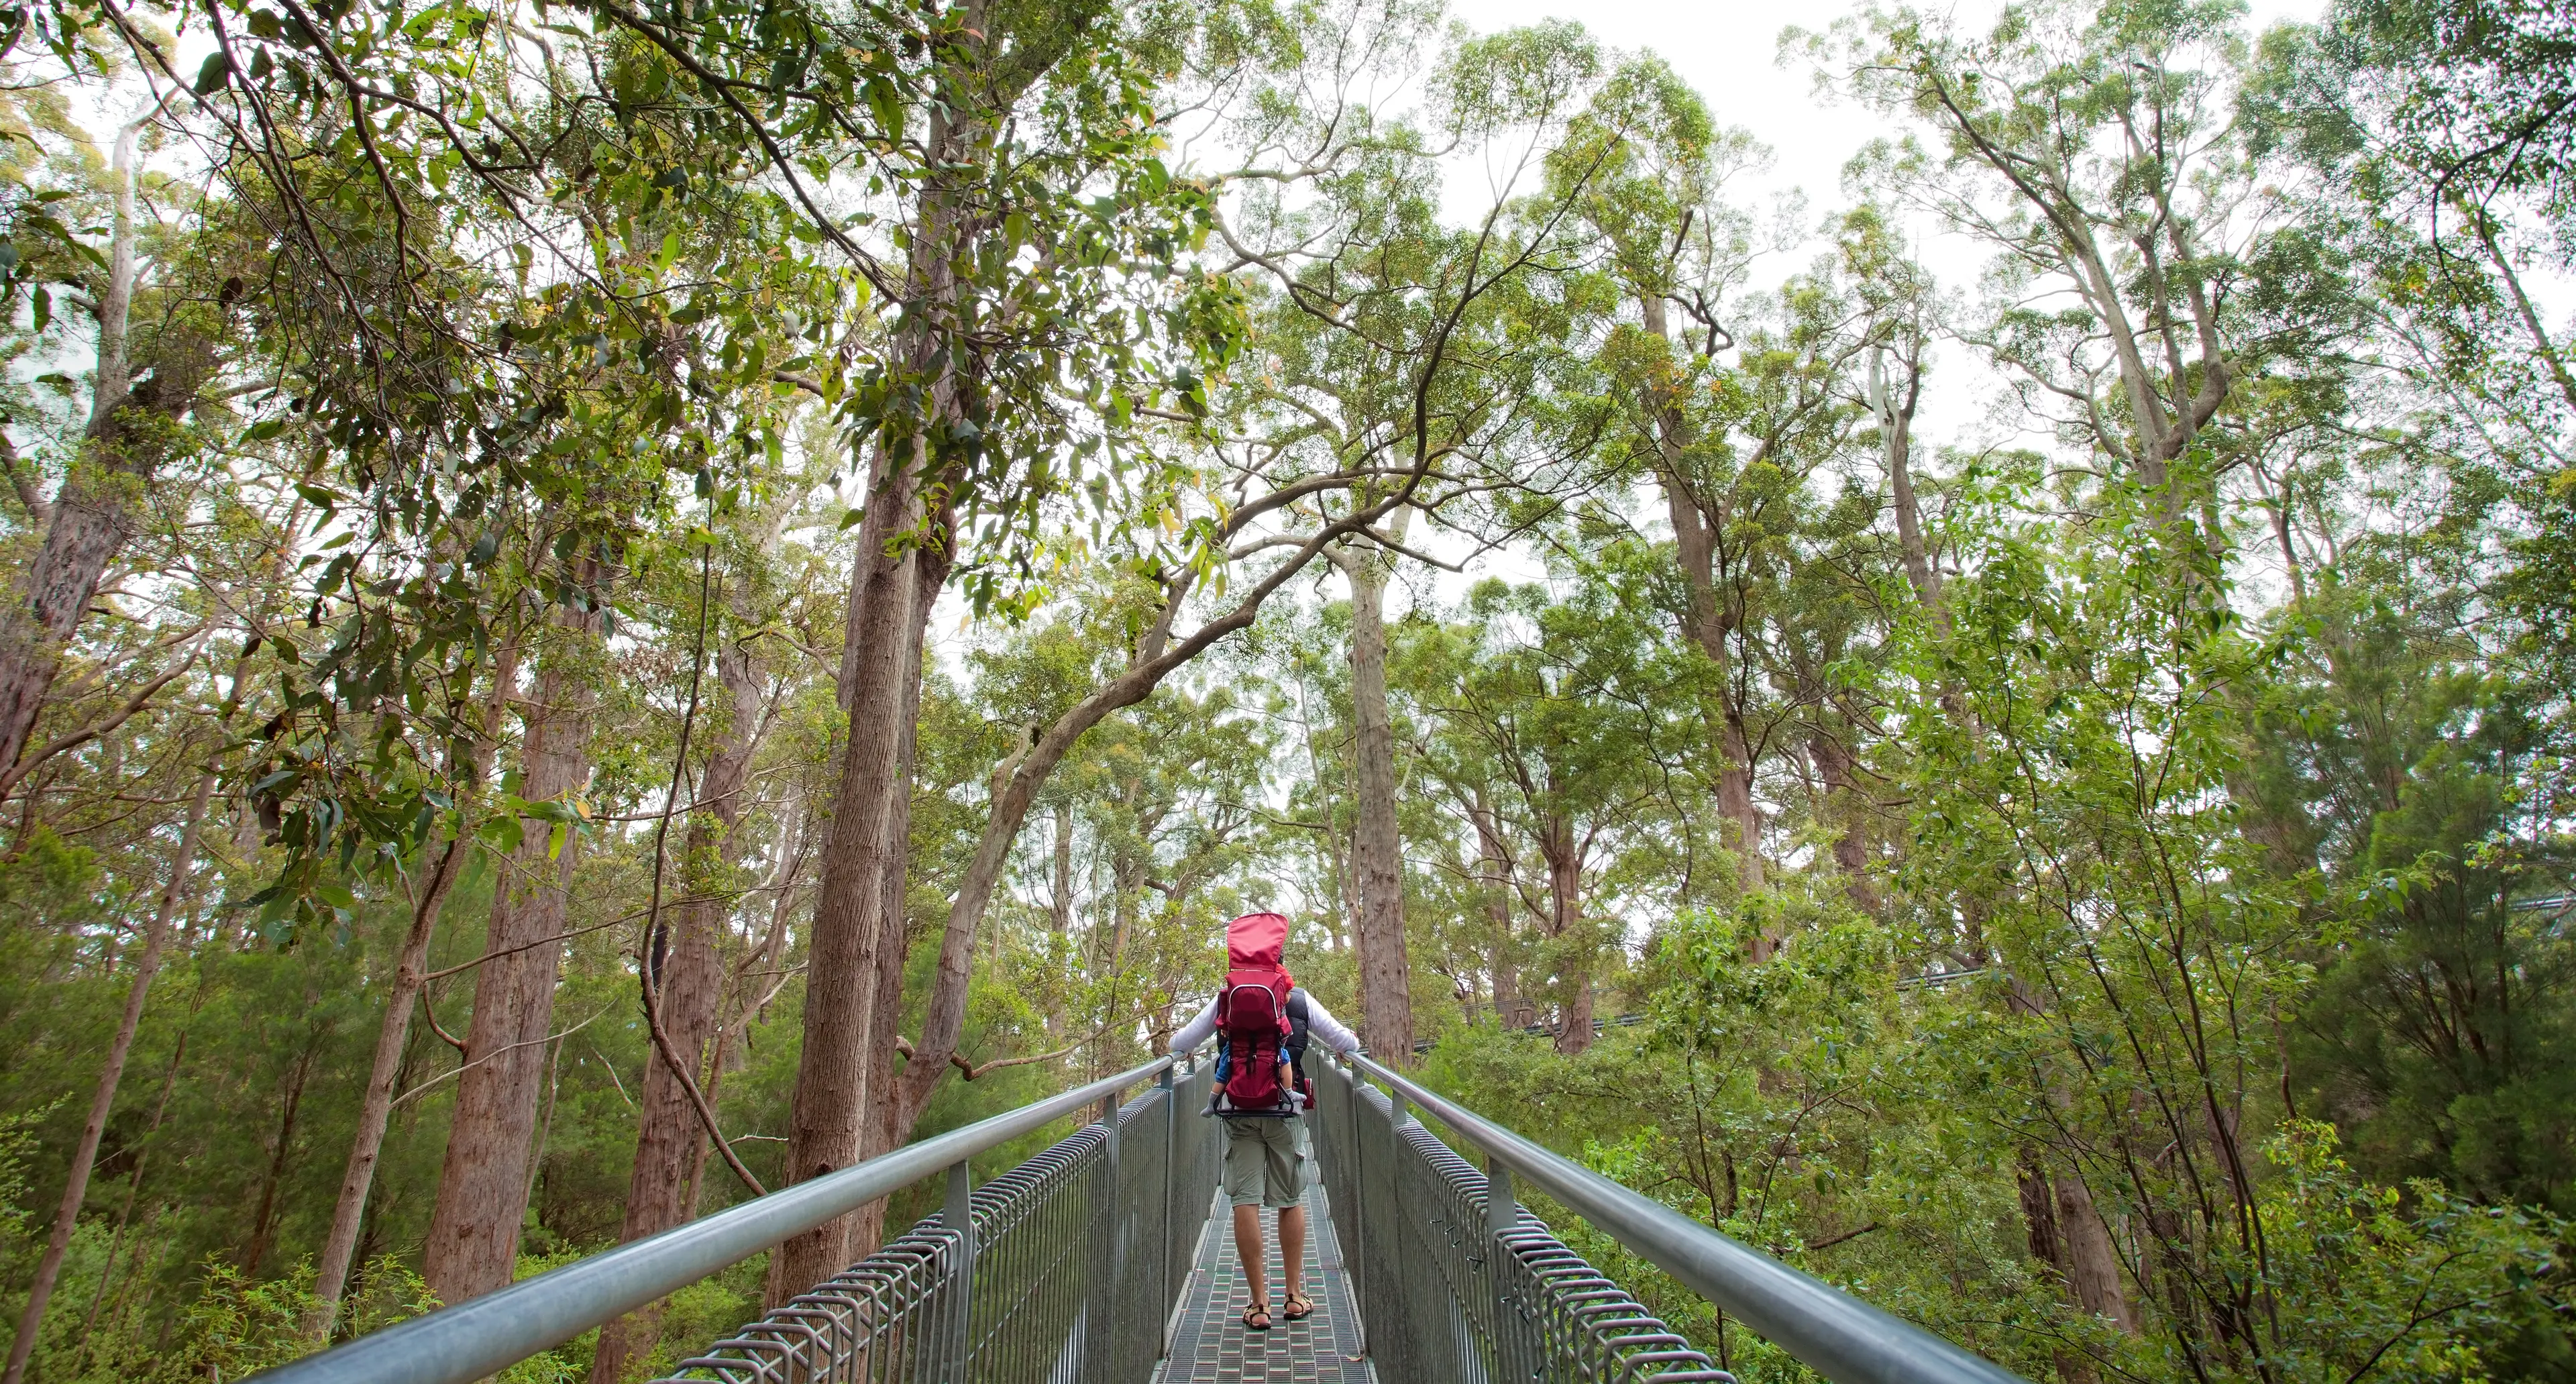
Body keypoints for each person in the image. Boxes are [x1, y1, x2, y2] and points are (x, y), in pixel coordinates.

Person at [1169, 935, 1360, 1332]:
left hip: (1238, 1110)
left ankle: (1258, 1304)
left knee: (1245, 1200)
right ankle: (1294, 1296)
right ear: (1280, 960)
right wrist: (1346, 1051)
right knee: (1291, 1198)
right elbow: (1346, 1042)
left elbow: (1181, 1043)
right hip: (1285, 1110)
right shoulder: (1299, 1000)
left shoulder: (1226, 997)